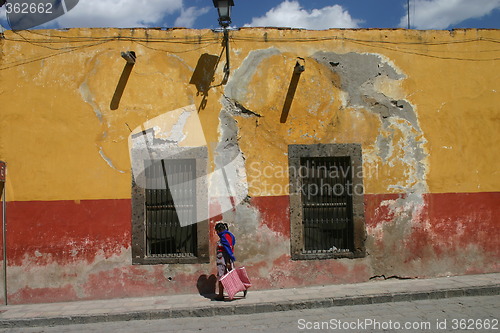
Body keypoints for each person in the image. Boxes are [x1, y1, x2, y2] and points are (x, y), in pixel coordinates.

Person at [215, 222, 240, 301]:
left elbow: (228, 248)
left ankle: (221, 295)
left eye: (217, 231)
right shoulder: (228, 235)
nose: (217, 233)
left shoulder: (224, 236)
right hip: (224, 258)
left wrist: (229, 260)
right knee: (227, 275)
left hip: (223, 259)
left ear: (219, 230)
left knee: (221, 276)